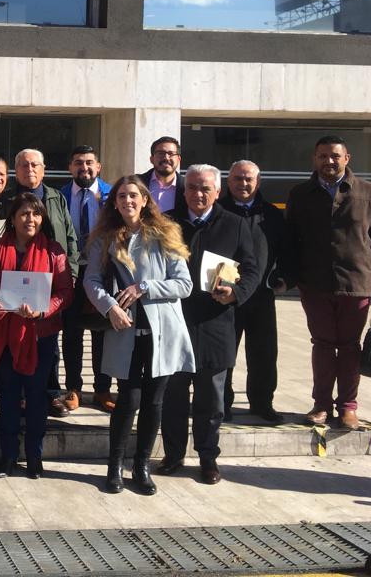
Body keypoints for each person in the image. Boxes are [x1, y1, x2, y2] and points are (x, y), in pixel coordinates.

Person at [84, 176, 194, 496]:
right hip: (125, 328)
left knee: (153, 402)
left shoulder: (166, 234)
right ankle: (114, 465)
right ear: (114, 203)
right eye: (121, 196)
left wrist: (144, 287)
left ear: (145, 200)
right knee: (127, 400)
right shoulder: (105, 239)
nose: (127, 201)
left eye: (134, 195)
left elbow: (183, 284)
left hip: (162, 331)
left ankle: (142, 465)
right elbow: (91, 281)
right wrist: (109, 308)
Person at [279, 135, 371, 430]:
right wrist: (287, 278)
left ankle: (347, 407)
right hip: (315, 284)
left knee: (349, 347)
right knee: (322, 345)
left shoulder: (370, 193)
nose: (328, 161)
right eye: (322, 156)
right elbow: (290, 240)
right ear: (314, 160)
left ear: (347, 158)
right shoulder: (301, 193)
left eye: (334, 156)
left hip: (356, 283)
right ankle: (321, 404)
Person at [159, 165, 260, 486]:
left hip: (216, 324)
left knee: (211, 400)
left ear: (218, 191)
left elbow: (252, 269)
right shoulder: (167, 223)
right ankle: (173, 454)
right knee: (173, 396)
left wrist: (236, 293)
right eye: (191, 187)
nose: (198, 194)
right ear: (183, 190)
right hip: (175, 323)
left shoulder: (236, 224)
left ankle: (207, 457)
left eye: (205, 188)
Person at [0, 192, 73, 479]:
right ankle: (7, 456)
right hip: (5, 332)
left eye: (35, 214)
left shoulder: (54, 251)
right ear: (13, 218)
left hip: (39, 334)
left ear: (42, 218)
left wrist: (44, 312)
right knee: (7, 397)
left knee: (36, 397)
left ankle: (34, 456)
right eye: (24, 214)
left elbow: (65, 292)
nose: (30, 219)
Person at [0, 148, 79, 417]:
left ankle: (50, 393)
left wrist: (70, 275)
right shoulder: (4, 200)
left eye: (35, 165)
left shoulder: (56, 198)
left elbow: (70, 238)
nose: (30, 169)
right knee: (11, 343)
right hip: (12, 284)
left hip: (51, 284)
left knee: (49, 346)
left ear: (43, 169)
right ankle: (15, 394)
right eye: (24, 165)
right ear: (15, 171)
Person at [219, 160, 285, 424]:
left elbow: (287, 249)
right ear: (228, 182)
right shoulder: (218, 212)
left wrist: (285, 278)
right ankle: (221, 403)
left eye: (248, 179)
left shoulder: (272, 214)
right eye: (237, 179)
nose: (243, 184)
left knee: (264, 353)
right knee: (224, 353)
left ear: (258, 182)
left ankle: (262, 403)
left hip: (261, 295)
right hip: (225, 296)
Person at [59, 145, 115, 414]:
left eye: (89, 163)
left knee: (101, 333)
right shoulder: (58, 196)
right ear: (70, 167)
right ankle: (73, 388)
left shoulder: (112, 195)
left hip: (102, 272)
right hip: (69, 272)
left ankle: (102, 389)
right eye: (78, 163)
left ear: (98, 166)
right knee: (71, 333)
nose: (84, 168)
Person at [138, 137, 187, 222]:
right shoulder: (137, 183)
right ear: (151, 159)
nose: (166, 158)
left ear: (179, 159)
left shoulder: (187, 187)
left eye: (171, 154)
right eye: (161, 153)